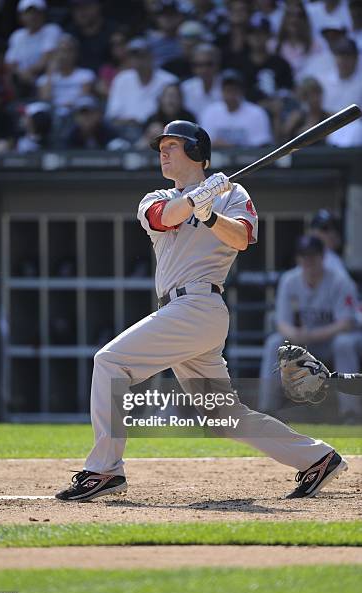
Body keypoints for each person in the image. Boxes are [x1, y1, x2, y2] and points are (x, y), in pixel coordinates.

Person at [55, 120, 348, 503]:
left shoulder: (233, 194)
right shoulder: (153, 197)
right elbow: (165, 217)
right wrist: (197, 198)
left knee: (110, 362)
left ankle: (105, 470)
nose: (163, 151)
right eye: (162, 145)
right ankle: (318, 458)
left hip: (200, 306)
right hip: (179, 310)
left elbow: (242, 238)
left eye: (173, 145)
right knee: (224, 417)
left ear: (197, 153)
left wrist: (210, 212)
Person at [259, 234, 360, 418]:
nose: (308, 260)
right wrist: (296, 336)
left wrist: (311, 336)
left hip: (330, 342)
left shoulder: (339, 281)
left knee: (343, 343)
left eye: (312, 255)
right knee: (274, 343)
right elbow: (282, 323)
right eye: (303, 256)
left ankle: (351, 412)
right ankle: (267, 410)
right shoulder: (290, 280)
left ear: (322, 257)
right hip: (304, 341)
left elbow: (345, 324)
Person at [105, 37, 177, 143]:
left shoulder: (168, 80)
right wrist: (129, 121)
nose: (137, 60)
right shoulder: (121, 79)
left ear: (151, 56)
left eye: (141, 55)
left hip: (160, 133)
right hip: (127, 132)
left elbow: (177, 115)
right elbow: (112, 117)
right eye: (133, 56)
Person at [200, 68, 273, 146]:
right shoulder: (210, 112)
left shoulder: (257, 113)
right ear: (221, 91)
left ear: (242, 91)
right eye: (227, 89)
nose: (230, 94)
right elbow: (205, 144)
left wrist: (231, 145)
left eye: (234, 89)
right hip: (218, 156)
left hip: (249, 157)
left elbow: (261, 145)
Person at [5, 0, 63, 97]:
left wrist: (28, 73)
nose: (33, 16)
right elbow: (10, 63)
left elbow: (47, 58)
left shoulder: (52, 30)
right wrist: (21, 74)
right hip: (21, 80)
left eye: (37, 12)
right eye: (28, 13)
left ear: (43, 14)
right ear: (21, 16)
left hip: (44, 77)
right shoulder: (17, 36)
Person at [36, 33, 95, 113]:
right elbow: (45, 99)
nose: (64, 55)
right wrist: (50, 73)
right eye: (60, 51)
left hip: (76, 114)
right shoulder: (44, 79)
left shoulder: (86, 75)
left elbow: (83, 100)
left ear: (76, 53)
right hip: (53, 115)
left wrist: (62, 106)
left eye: (68, 51)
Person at [180, 43, 223, 116]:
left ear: (217, 64)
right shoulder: (185, 88)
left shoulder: (227, 86)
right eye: (199, 65)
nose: (204, 69)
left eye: (208, 64)